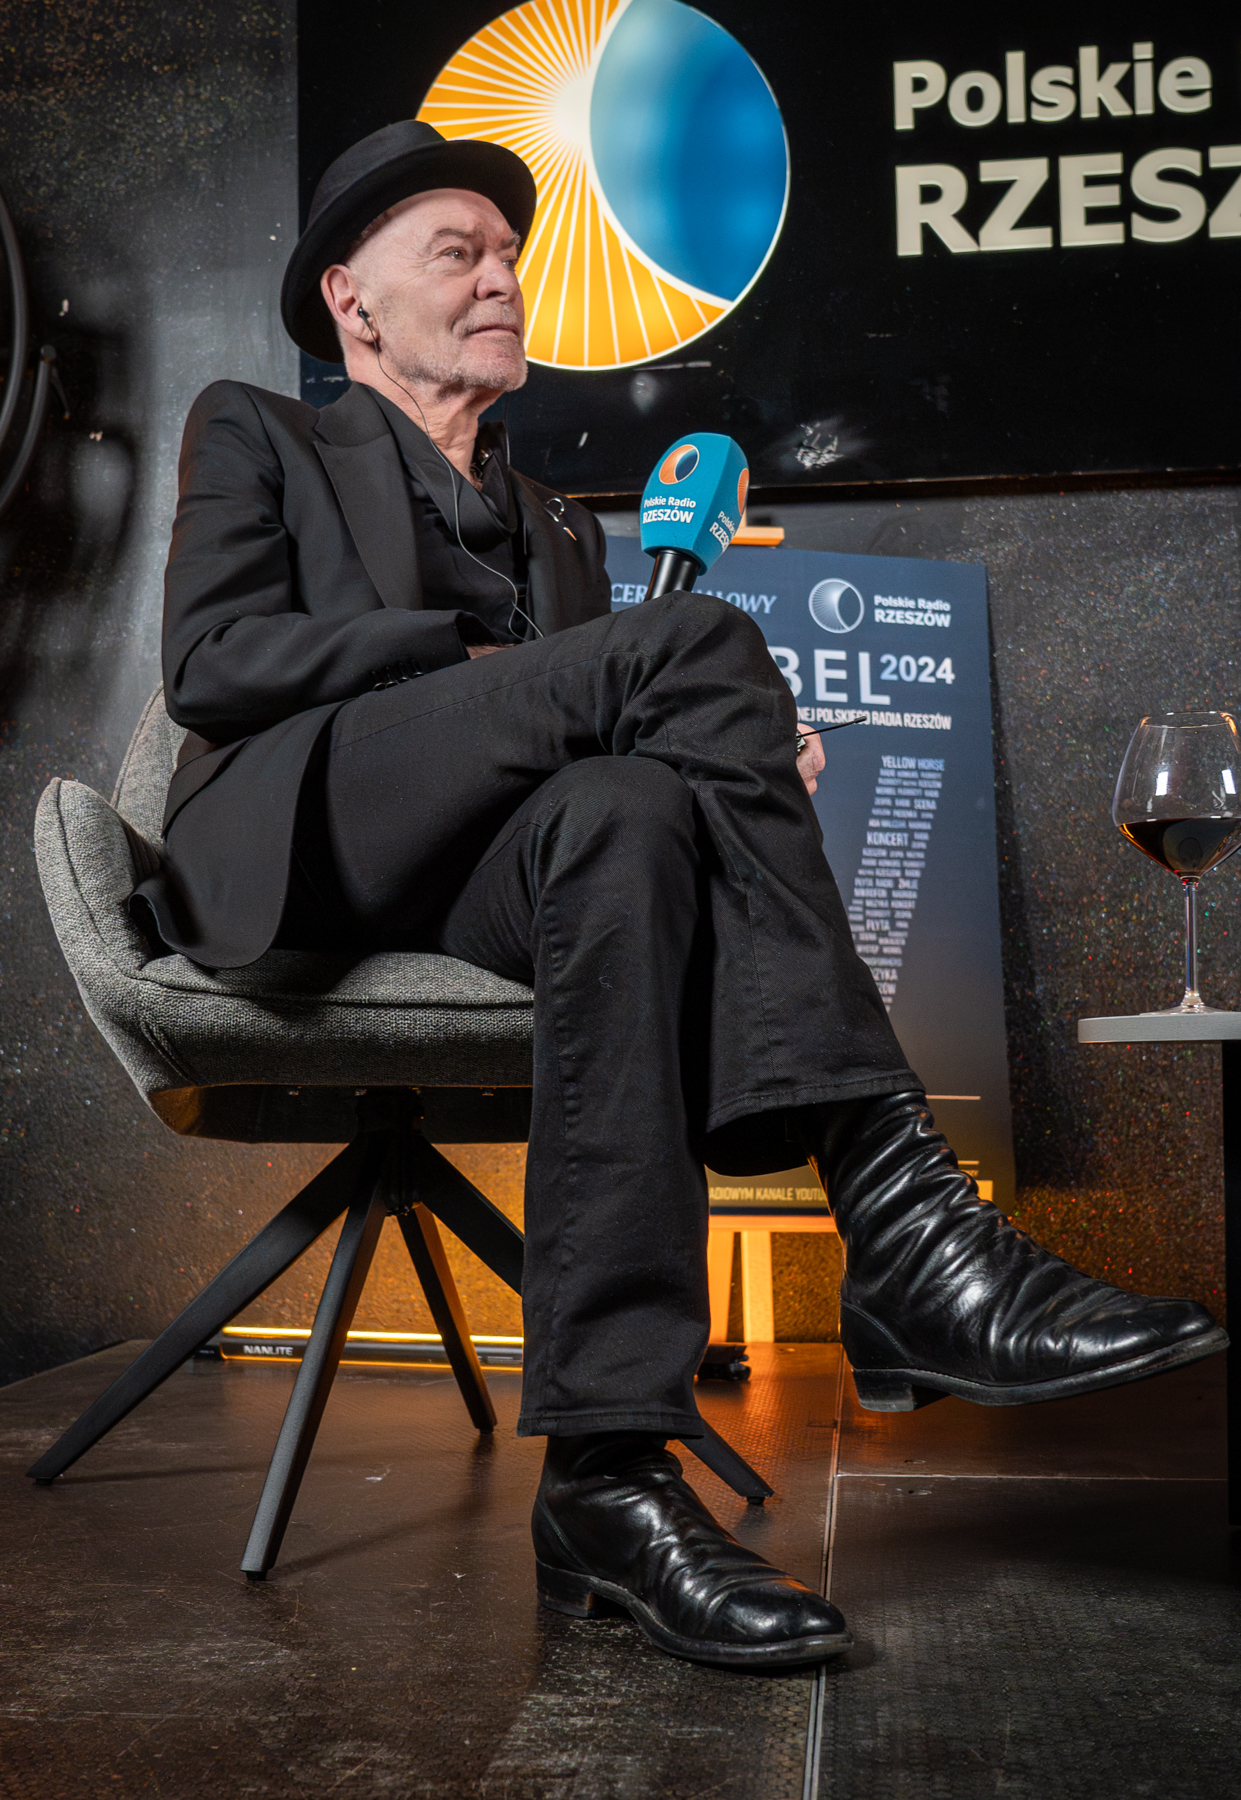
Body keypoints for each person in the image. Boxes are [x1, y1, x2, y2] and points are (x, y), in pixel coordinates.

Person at [135, 122, 1226, 1671]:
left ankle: (607, 1477)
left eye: (509, 255)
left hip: (489, 877)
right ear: (351, 301)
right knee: (697, 645)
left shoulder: (558, 530)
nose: (501, 277)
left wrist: (723, 751)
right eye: (457, 252)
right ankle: (906, 1226)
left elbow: (596, 748)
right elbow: (211, 663)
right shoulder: (257, 431)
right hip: (312, 833)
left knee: (634, 813)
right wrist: (488, 662)